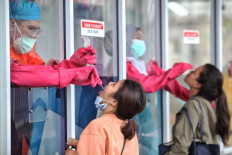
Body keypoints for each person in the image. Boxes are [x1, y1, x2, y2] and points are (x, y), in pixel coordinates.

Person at [65, 79, 146, 155]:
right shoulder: (130, 132)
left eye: (114, 85)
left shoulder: (98, 126)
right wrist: (82, 145)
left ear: (114, 102)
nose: (110, 82)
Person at [166, 64, 231, 154]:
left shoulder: (193, 105)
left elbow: (180, 149)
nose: (190, 72)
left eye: (194, 72)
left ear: (197, 84)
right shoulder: (208, 105)